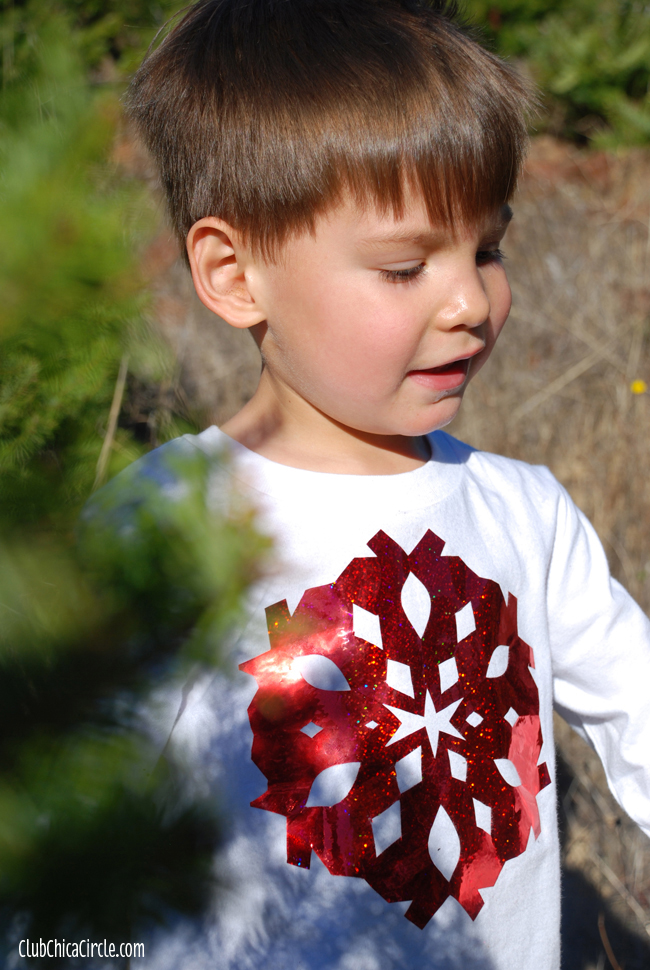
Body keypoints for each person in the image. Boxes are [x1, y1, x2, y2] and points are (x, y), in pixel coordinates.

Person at [89, 1, 650, 967]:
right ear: (235, 276)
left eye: (487, 248)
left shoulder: (525, 512)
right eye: (403, 268)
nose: (471, 302)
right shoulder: (160, 526)